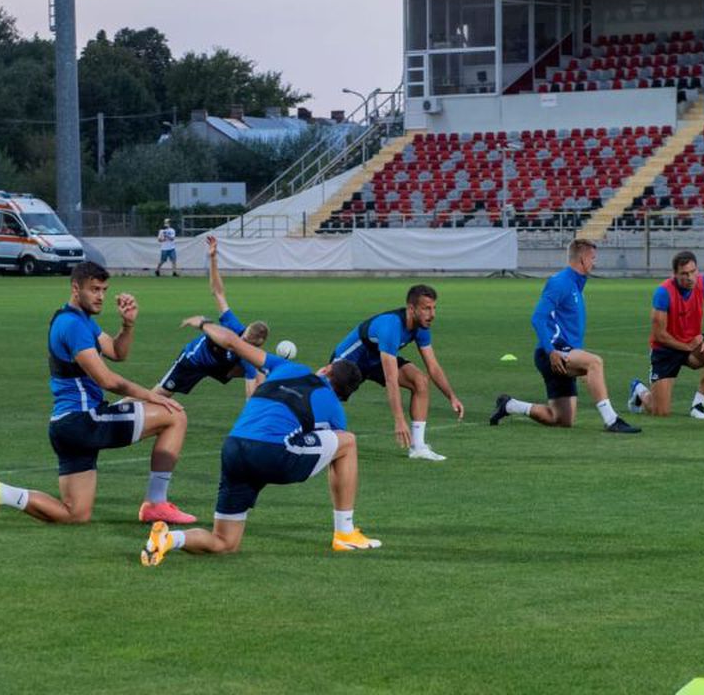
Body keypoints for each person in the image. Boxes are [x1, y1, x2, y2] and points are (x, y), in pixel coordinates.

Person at [140, 317, 377, 566]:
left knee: (225, 542)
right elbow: (334, 453)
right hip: (272, 454)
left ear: (327, 369)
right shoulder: (335, 409)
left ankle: (169, 539)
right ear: (342, 394)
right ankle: (345, 533)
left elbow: (231, 341)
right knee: (348, 443)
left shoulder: (287, 366)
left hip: (233, 448)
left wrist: (203, 323)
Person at [0, 261, 193, 528]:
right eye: (94, 289)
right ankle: (156, 503)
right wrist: (152, 395)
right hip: (84, 420)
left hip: (65, 426)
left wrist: (127, 325)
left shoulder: (79, 320)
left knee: (75, 514)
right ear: (76, 289)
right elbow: (106, 379)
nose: (100, 296)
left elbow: (117, 352)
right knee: (175, 416)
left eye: (104, 290)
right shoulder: (73, 325)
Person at [489, 239, 639, 433]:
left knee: (561, 419)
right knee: (595, 362)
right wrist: (551, 351)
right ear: (582, 259)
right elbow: (538, 318)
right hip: (554, 353)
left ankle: (510, 405)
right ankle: (612, 420)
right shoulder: (560, 282)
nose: (594, 262)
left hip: (564, 353)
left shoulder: (576, 284)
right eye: (592, 258)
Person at [329, 285, 463, 461]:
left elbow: (433, 367)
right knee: (328, 396)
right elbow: (391, 379)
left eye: (434, 308)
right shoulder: (391, 326)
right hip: (351, 360)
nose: (432, 314)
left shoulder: (422, 327)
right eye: (426, 308)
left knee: (420, 381)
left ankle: (418, 447)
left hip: (378, 359)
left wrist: (451, 397)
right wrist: (399, 420)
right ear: (411, 309)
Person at [155, 235, 268, 398]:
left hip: (221, 366)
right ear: (246, 329)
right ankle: (123, 405)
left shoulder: (247, 355)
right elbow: (218, 293)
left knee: (261, 368)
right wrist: (213, 259)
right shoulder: (232, 325)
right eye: (243, 337)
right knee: (158, 396)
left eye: (246, 341)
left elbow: (250, 393)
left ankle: (269, 401)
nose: (242, 341)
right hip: (195, 360)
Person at [627, 251, 704, 419]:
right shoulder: (663, 292)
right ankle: (639, 390)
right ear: (675, 274)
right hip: (666, 349)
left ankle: (698, 406)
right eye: (684, 274)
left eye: (693, 271)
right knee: (660, 411)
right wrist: (687, 346)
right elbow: (659, 335)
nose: (690, 277)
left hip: (692, 345)